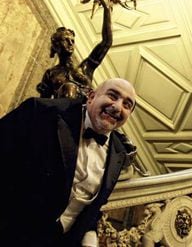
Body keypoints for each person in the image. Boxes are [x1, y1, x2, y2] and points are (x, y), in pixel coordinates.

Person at [0, 78, 137, 246]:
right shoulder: (41, 111)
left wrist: (90, 238)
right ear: (91, 96)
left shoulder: (119, 152)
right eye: (112, 96)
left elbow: (93, 206)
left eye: (127, 104)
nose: (117, 106)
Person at [36, 0, 112, 99]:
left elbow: (106, 42)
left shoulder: (86, 68)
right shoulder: (51, 74)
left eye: (72, 40)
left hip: (82, 112)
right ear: (56, 46)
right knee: (68, 88)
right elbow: (44, 103)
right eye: (65, 40)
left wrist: (106, 9)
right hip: (61, 113)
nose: (70, 43)